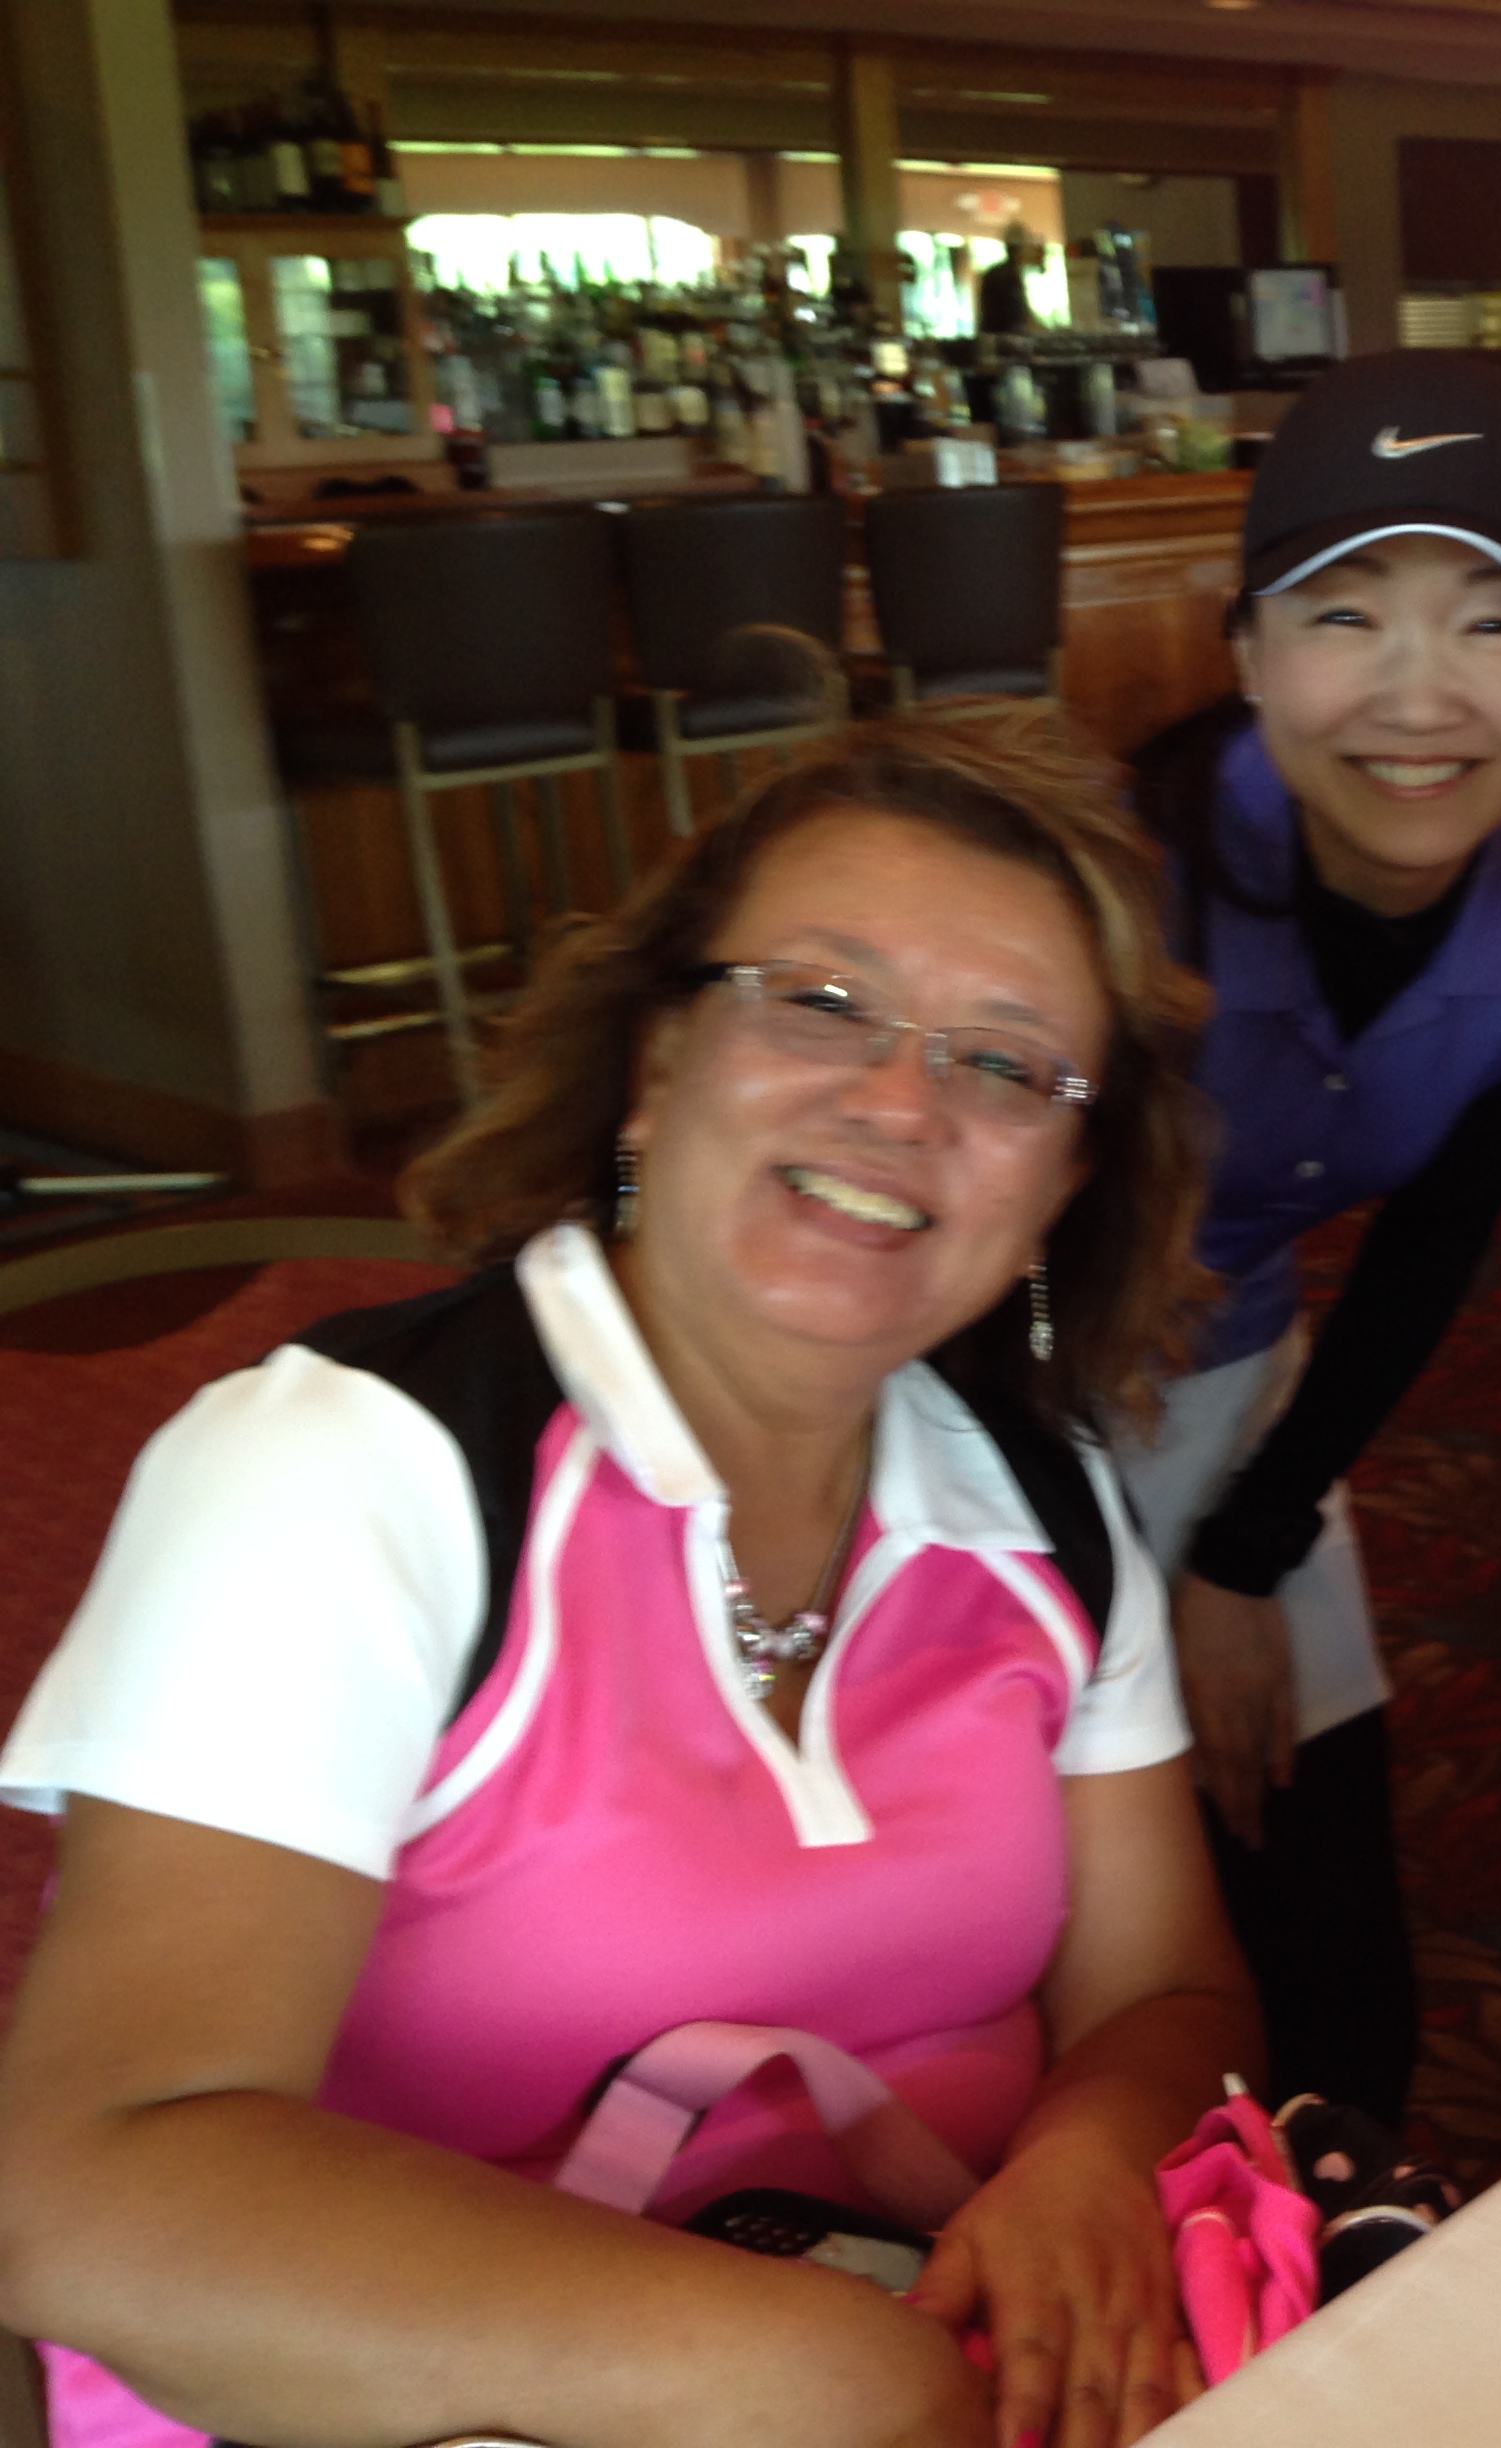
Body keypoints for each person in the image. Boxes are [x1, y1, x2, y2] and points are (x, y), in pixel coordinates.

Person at [0, 717, 1258, 2448]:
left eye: (1003, 1064)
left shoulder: (1043, 1503)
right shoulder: (345, 1473)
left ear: (1058, 1190)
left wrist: (1085, 2163)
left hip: (951, 2331)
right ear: (657, 1061)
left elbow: (1167, 1993)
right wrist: (841, 2378)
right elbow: (92, 2185)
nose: (899, 1101)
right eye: (820, 1000)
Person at [1118, 349, 1501, 2130]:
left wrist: (1241, 1547)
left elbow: (1439, 1240)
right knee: (1093, 1917)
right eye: (1345, 615)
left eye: (1495, 623)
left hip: (1225, 1381)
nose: (1419, 697)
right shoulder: (1110, 881)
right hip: (958, 1396)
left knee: (1336, 1985)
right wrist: (1124, 1599)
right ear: (1247, 649)